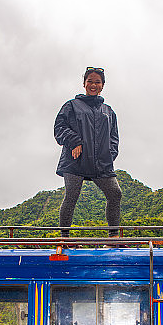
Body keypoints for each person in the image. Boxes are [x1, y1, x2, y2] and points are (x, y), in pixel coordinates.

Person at [54, 67, 122, 237]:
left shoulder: (108, 111)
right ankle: (65, 238)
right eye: (90, 81)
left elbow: (114, 137)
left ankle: (113, 236)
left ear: (102, 85)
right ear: (84, 83)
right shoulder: (71, 106)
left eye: (97, 82)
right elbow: (59, 127)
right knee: (71, 197)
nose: (93, 84)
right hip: (75, 160)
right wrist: (74, 141)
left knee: (115, 193)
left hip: (101, 163)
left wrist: (109, 154)